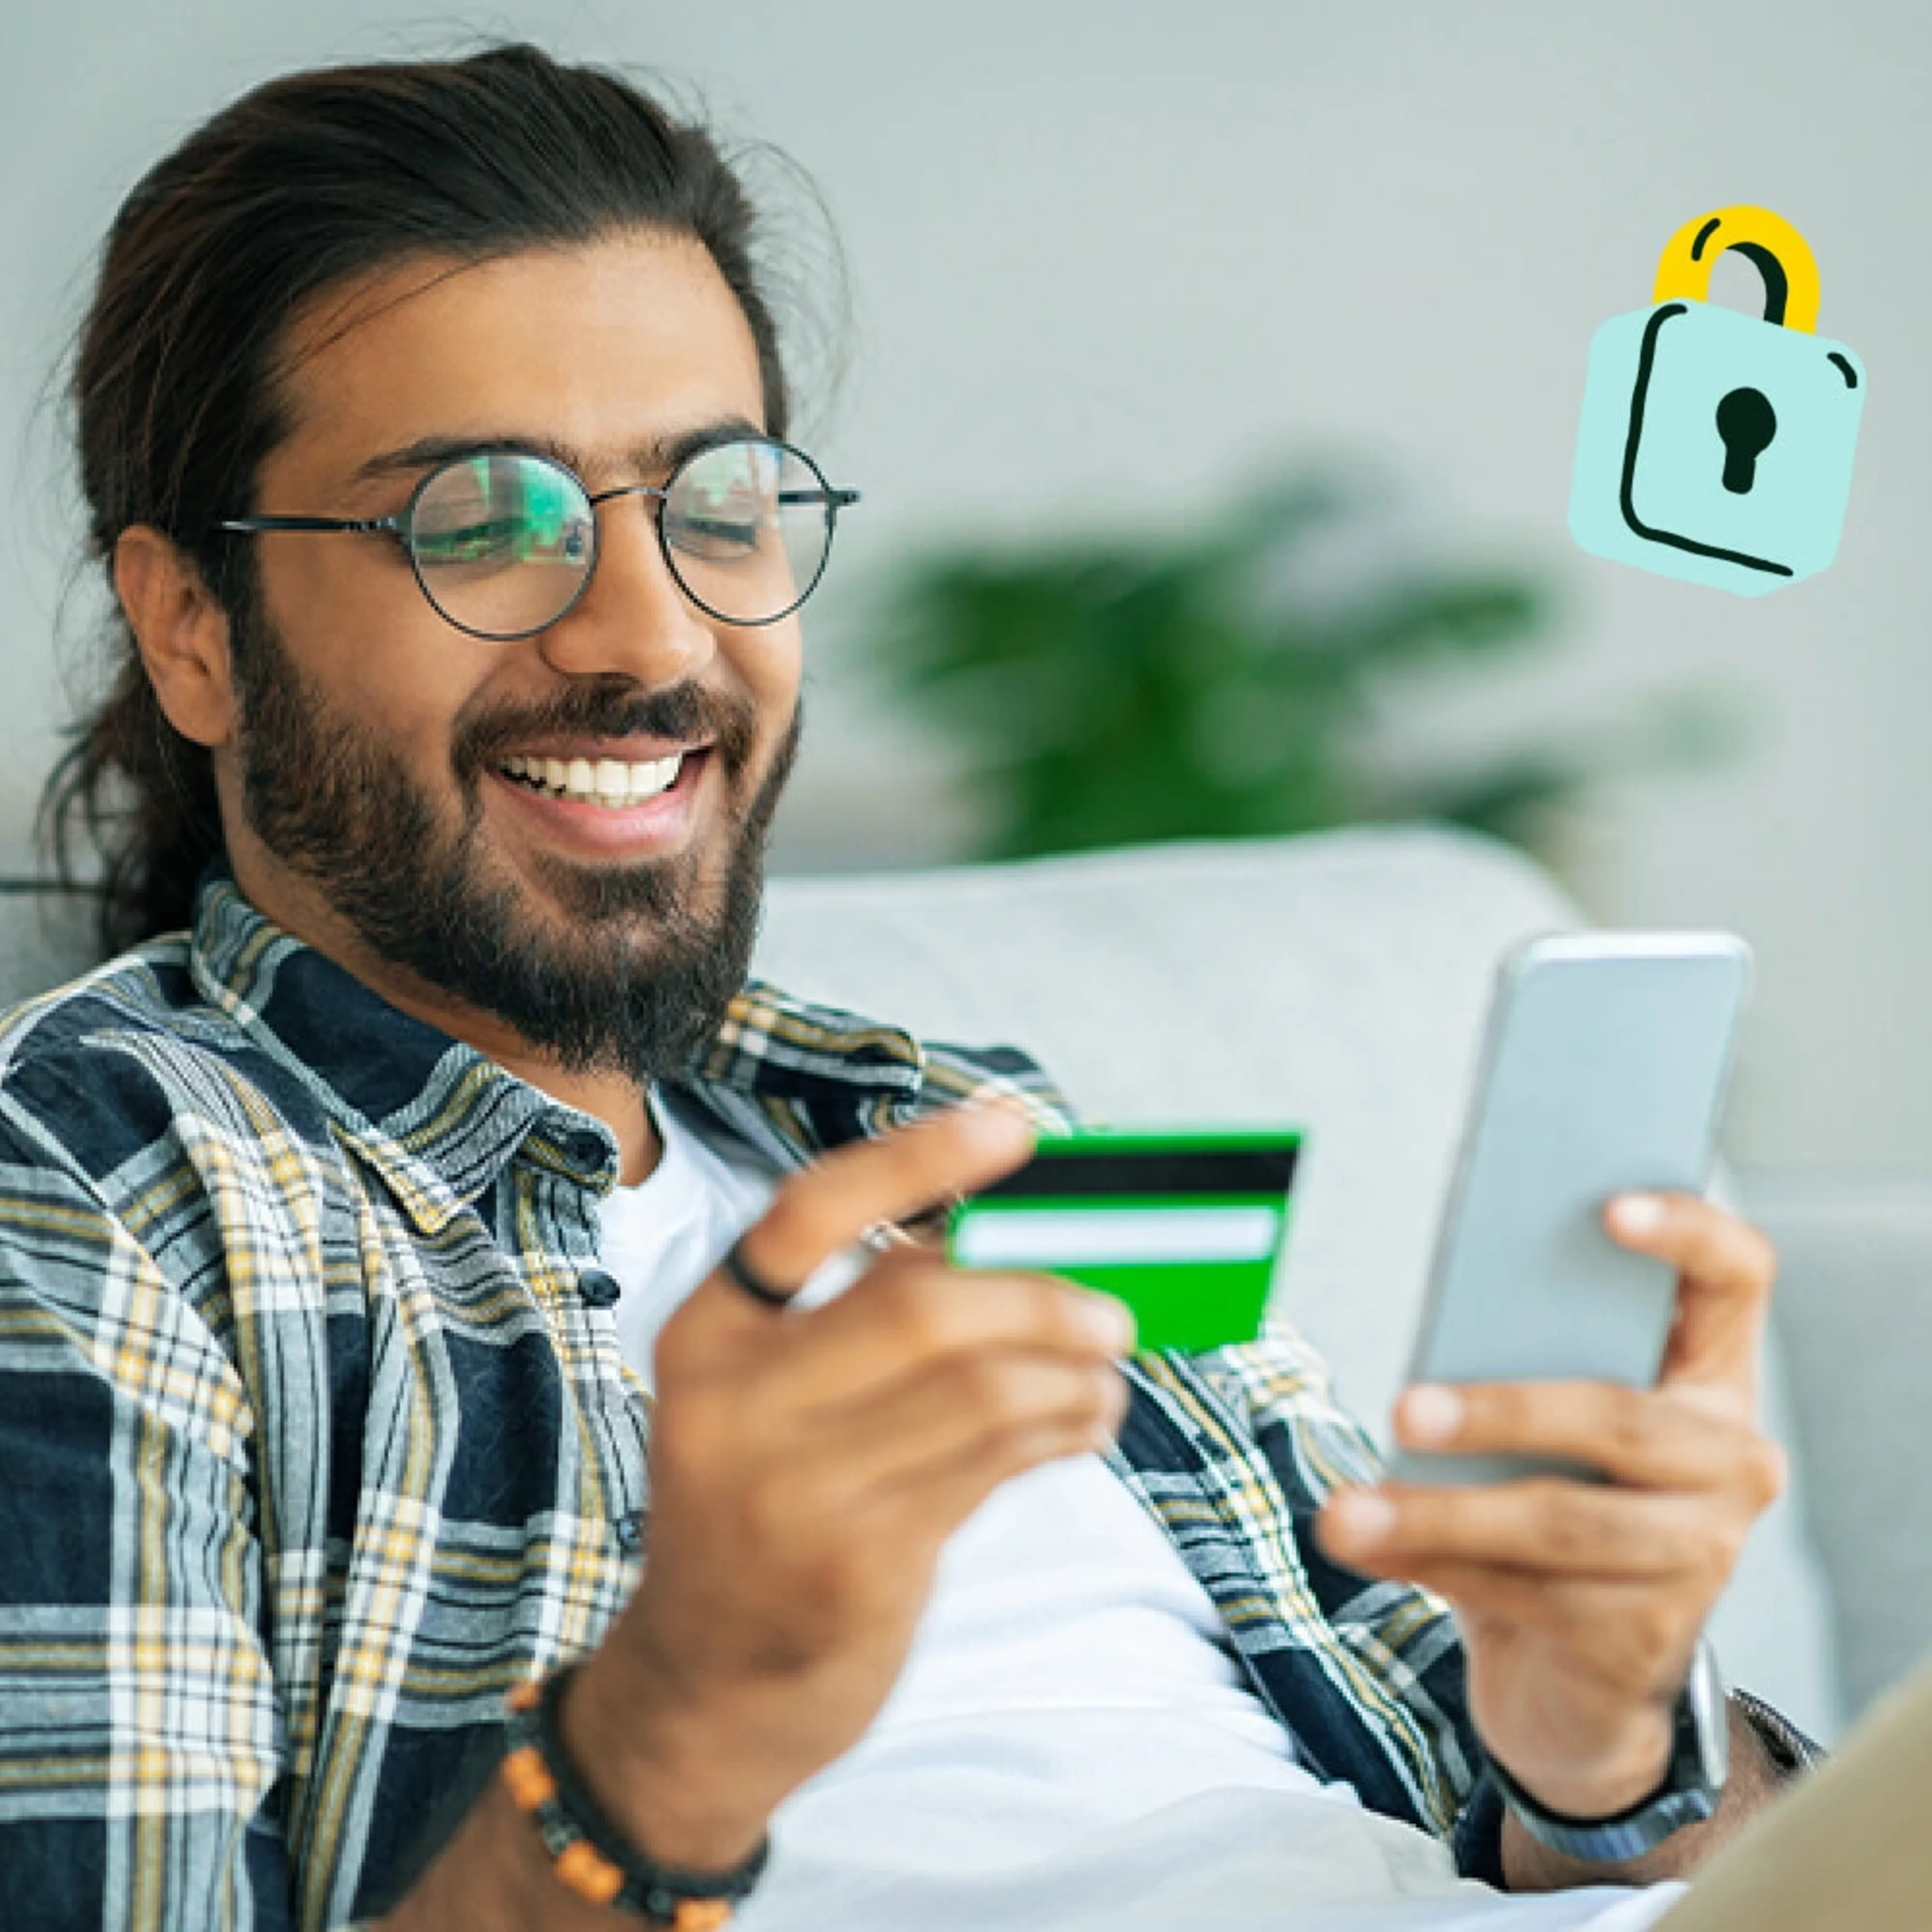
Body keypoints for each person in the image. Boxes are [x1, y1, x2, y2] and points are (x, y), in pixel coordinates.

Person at [0, 42, 1827, 1932]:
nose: (649, 636)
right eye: (478, 520)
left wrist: (1612, 1756)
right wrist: (671, 1739)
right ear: (195, 630)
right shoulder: (98, 1187)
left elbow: (1542, 1820)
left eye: (717, 507)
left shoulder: (971, 1120)